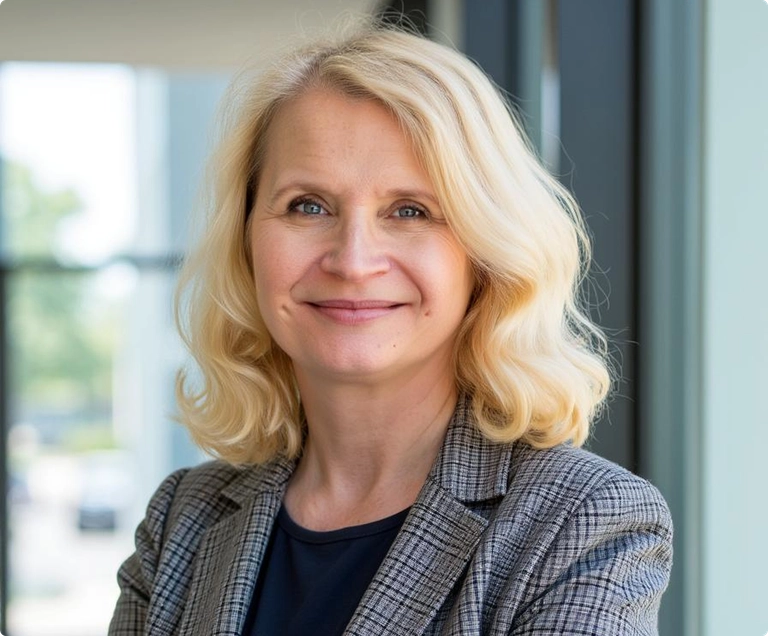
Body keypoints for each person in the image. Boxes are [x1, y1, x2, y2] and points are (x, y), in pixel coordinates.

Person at [109, 24, 672, 636]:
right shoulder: (181, 520)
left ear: (484, 254)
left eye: (410, 211)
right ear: (246, 239)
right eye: (308, 205)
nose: (352, 260)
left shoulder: (583, 520)